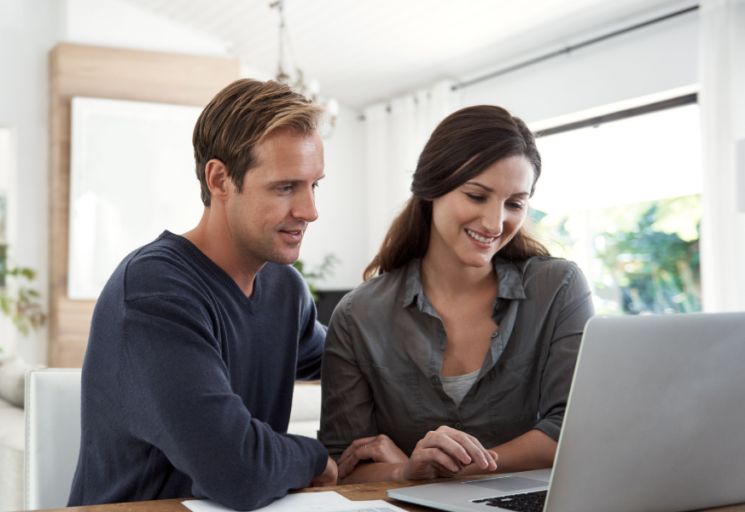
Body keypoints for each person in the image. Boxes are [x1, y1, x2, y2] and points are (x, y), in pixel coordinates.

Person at [68, 79, 337, 510]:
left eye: (314, 185)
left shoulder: (286, 290)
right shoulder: (154, 290)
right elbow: (236, 471)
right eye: (285, 187)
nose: (309, 211)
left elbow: (352, 363)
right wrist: (317, 457)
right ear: (220, 180)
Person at [319, 105, 595, 484]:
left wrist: (452, 470)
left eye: (515, 203)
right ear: (431, 187)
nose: (495, 223)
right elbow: (345, 464)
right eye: (477, 196)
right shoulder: (358, 316)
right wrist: (405, 470)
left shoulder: (558, 290)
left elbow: (573, 429)